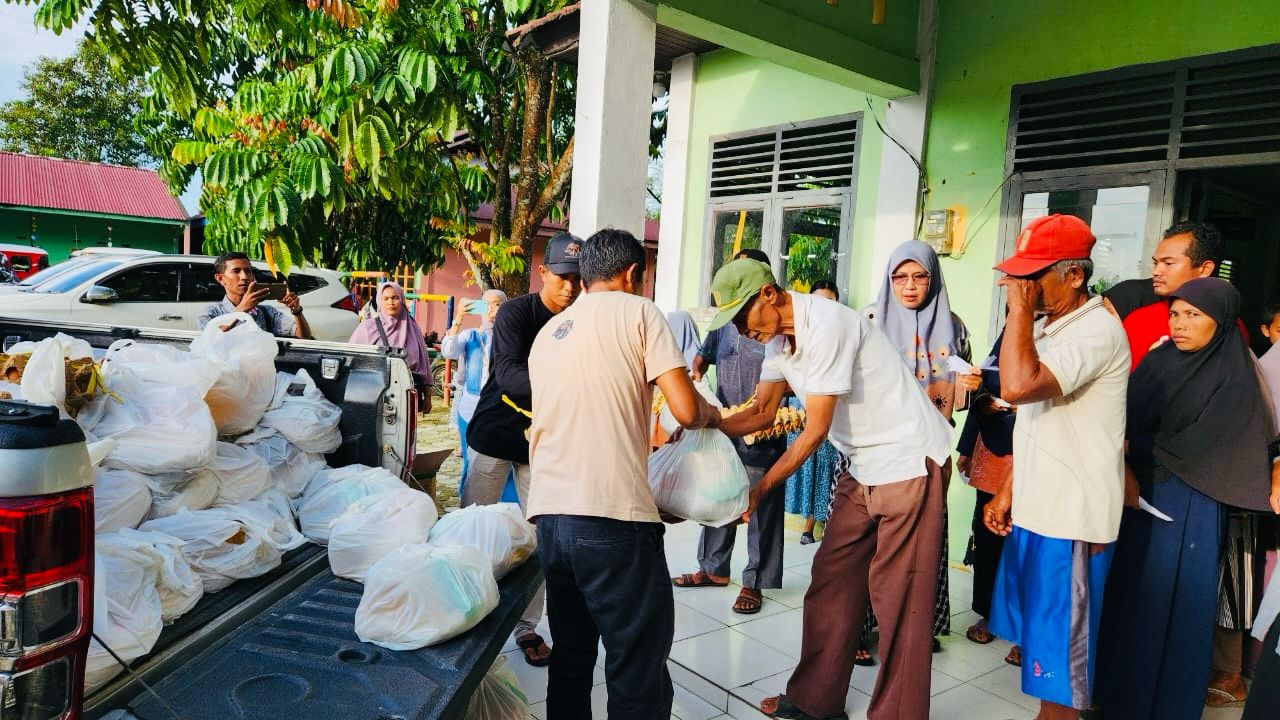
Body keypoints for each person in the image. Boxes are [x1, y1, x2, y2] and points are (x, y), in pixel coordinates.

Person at [709, 258, 953, 720]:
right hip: (862, 464)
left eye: (742, 318)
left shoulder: (826, 324)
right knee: (831, 582)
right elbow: (761, 411)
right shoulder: (777, 341)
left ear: (768, 295)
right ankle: (814, 701)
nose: (741, 332)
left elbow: (814, 430)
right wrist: (708, 425)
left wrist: (759, 492)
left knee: (900, 602)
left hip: (908, 462)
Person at [526, 228, 722, 720]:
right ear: (634, 273)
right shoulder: (640, 313)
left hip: (551, 520)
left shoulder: (550, 332)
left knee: (571, 656)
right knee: (636, 665)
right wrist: (714, 416)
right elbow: (684, 408)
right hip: (613, 522)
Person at [1094, 278, 1274, 720]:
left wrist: (1140, 448)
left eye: (1193, 315)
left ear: (1223, 320)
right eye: (1175, 313)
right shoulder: (1157, 362)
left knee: (1180, 605)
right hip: (1138, 497)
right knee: (1132, 596)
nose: (1180, 324)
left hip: (1194, 503)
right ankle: (1117, 697)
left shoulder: (1236, 375)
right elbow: (1119, 420)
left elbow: (1222, 445)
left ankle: (1166, 703)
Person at [982, 213, 1129, 720]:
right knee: (1042, 656)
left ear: (1074, 275)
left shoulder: (1096, 331)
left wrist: (1016, 311)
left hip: (1072, 522)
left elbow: (1017, 387)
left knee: (1062, 678)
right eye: (1017, 276)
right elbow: (1033, 420)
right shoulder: (1050, 326)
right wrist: (1007, 490)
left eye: (1033, 275)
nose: (1021, 287)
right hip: (1039, 513)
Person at [463, 232, 583, 667]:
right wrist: (573, 390)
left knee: (540, 537)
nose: (569, 287)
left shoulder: (581, 321)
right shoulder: (516, 312)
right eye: (562, 277)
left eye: (578, 278)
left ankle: (527, 626)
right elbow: (510, 374)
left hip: (546, 443)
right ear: (543, 272)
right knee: (472, 529)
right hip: (495, 432)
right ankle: (468, 608)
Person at [860, 240, 977, 659]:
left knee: (924, 542)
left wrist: (970, 390)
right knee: (868, 541)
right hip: (874, 451)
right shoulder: (868, 322)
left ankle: (918, 626)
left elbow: (962, 391)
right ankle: (860, 629)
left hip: (930, 452)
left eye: (919, 276)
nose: (909, 286)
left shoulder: (955, 327)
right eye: (900, 276)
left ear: (934, 278)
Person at [672, 247, 787, 615]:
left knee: (760, 504)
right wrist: (697, 378)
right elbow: (703, 357)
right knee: (718, 495)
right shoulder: (724, 323)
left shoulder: (777, 331)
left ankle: (756, 581)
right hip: (723, 424)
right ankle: (713, 569)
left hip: (763, 428)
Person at [954, 322, 1016, 658]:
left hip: (1034, 453)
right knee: (988, 537)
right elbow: (981, 387)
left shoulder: (1055, 337)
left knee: (1025, 542)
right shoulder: (1006, 335)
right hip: (992, 449)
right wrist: (966, 448)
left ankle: (1025, 632)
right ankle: (989, 615)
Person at [783, 280, 839, 547]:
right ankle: (807, 522)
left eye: (829, 302)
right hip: (800, 411)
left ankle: (821, 523)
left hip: (829, 416)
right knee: (804, 466)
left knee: (826, 469)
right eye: (818, 301)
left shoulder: (840, 335)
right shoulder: (797, 335)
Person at [440, 288, 508, 491]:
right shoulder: (471, 336)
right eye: (487, 304)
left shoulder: (511, 337)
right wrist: (459, 317)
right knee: (470, 462)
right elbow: (448, 350)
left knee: (498, 462)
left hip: (499, 409)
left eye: (497, 304)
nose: (492, 310)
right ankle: (467, 505)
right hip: (470, 408)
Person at [348, 281, 433, 411]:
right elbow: (351, 358)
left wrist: (427, 395)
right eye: (386, 298)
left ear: (402, 300)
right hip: (374, 394)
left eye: (395, 298)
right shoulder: (367, 328)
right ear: (379, 301)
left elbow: (424, 362)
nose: (390, 302)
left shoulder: (412, 327)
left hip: (406, 394)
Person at [197, 252, 313, 339]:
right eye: (236, 271)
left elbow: (304, 337)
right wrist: (242, 309)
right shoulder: (210, 313)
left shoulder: (267, 312)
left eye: (248, 271)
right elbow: (210, 340)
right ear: (221, 278)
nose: (244, 276)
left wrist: (297, 311)